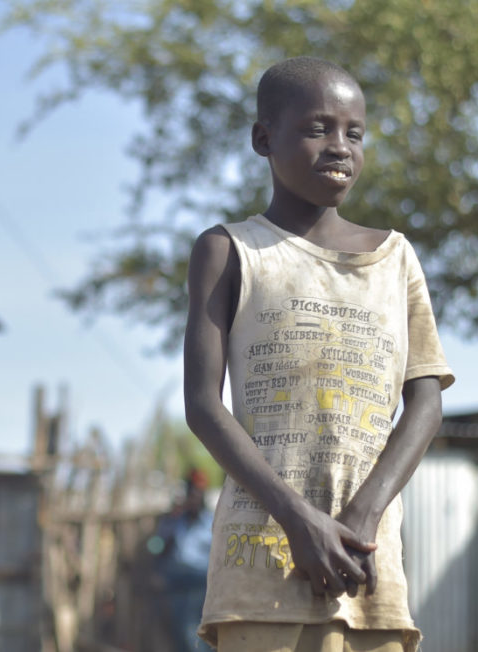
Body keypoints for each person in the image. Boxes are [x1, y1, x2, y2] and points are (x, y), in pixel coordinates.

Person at [183, 57, 453, 652]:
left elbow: (426, 403)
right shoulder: (230, 252)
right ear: (264, 138)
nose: (339, 147)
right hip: (261, 569)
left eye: (354, 133)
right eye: (317, 128)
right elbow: (203, 405)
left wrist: (364, 515)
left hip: (366, 567)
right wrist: (297, 520)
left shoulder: (396, 260)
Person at [154, 469, 215, 651]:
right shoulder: (175, 521)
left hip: (201, 583)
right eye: (190, 495)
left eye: (197, 495)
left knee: (195, 632)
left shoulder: (212, 521)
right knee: (180, 631)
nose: (193, 500)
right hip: (177, 583)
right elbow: (156, 546)